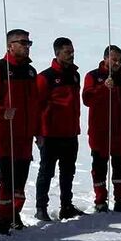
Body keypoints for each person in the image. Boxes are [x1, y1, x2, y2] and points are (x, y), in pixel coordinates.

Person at [0, 28, 40, 234]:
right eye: (22, 42)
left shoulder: (31, 72)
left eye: (28, 43)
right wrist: (2, 112)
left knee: (21, 178)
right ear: (10, 45)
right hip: (6, 133)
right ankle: (3, 219)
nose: (26, 46)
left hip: (26, 133)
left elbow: (36, 104)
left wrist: (38, 130)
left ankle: (15, 214)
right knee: (7, 178)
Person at [35, 37, 84, 221]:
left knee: (68, 172)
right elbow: (37, 106)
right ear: (57, 53)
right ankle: (41, 208)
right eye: (67, 52)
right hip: (50, 134)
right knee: (46, 172)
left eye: (72, 51)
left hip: (70, 132)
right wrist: (38, 132)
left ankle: (66, 206)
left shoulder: (74, 74)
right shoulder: (45, 77)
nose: (71, 55)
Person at [83, 45, 121, 213]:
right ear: (105, 58)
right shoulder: (93, 76)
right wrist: (103, 88)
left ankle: (120, 199)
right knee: (99, 166)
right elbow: (87, 99)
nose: (117, 63)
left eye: (120, 60)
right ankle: (100, 200)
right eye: (114, 59)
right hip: (100, 131)